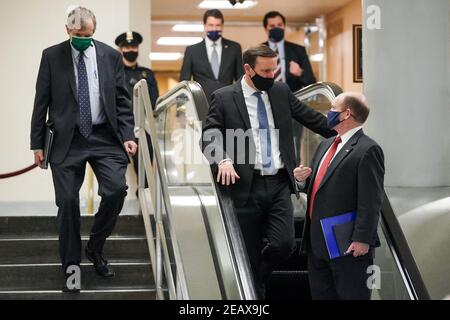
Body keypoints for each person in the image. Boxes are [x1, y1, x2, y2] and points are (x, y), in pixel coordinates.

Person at [201, 45, 335, 299]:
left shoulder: (281, 91)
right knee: (249, 252)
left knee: (283, 245)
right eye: (265, 71)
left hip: (278, 183)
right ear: (248, 69)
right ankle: (254, 293)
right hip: (243, 186)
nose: (271, 75)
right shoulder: (224, 97)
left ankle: (257, 281)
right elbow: (209, 137)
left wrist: (345, 130)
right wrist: (223, 160)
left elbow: (312, 119)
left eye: (274, 69)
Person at [30, 6, 137, 293]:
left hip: (105, 137)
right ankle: (71, 267)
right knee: (67, 202)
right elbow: (41, 101)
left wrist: (128, 134)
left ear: (94, 31)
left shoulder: (111, 56)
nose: (82, 39)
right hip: (67, 139)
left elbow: (123, 100)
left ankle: (96, 247)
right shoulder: (52, 56)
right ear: (67, 30)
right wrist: (36, 143)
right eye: (77, 35)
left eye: (87, 35)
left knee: (115, 190)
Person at [294, 92, 385, 300]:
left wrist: (362, 238)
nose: (328, 113)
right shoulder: (326, 144)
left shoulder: (368, 149)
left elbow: (371, 200)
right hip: (316, 243)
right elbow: (320, 187)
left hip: (347, 245)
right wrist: (301, 180)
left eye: (333, 109)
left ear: (347, 114)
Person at [262, 11, 317, 164]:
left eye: (279, 25)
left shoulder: (297, 50)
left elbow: (311, 81)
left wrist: (300, 73)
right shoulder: (259, 52)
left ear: (284, 26)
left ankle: (292, 182)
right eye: (272, 26)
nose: (276, 28)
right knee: (267, 147)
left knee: (292, 148)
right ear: (266, 29)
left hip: (292, 108)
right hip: (266, 107)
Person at [115, 31, 158, 189]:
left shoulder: (147, 74)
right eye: (126, 47)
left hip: (142, 128)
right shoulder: (114, 72)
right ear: (121, 49)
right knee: (113, 174)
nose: (131, 50)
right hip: (119, 128)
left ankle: (144, 209)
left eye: (133, 46)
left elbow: (154, 102)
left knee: (145, 175)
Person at [180, 9, 243, 105]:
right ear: (204, 26)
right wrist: (183, 107)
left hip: (228, 103)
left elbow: (240, 78)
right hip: (201, 104)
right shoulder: (192, 51)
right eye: (211, 25)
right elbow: (184, 82)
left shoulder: (234, 48)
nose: (214, 29)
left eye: (218, 25)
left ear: (222, 26)